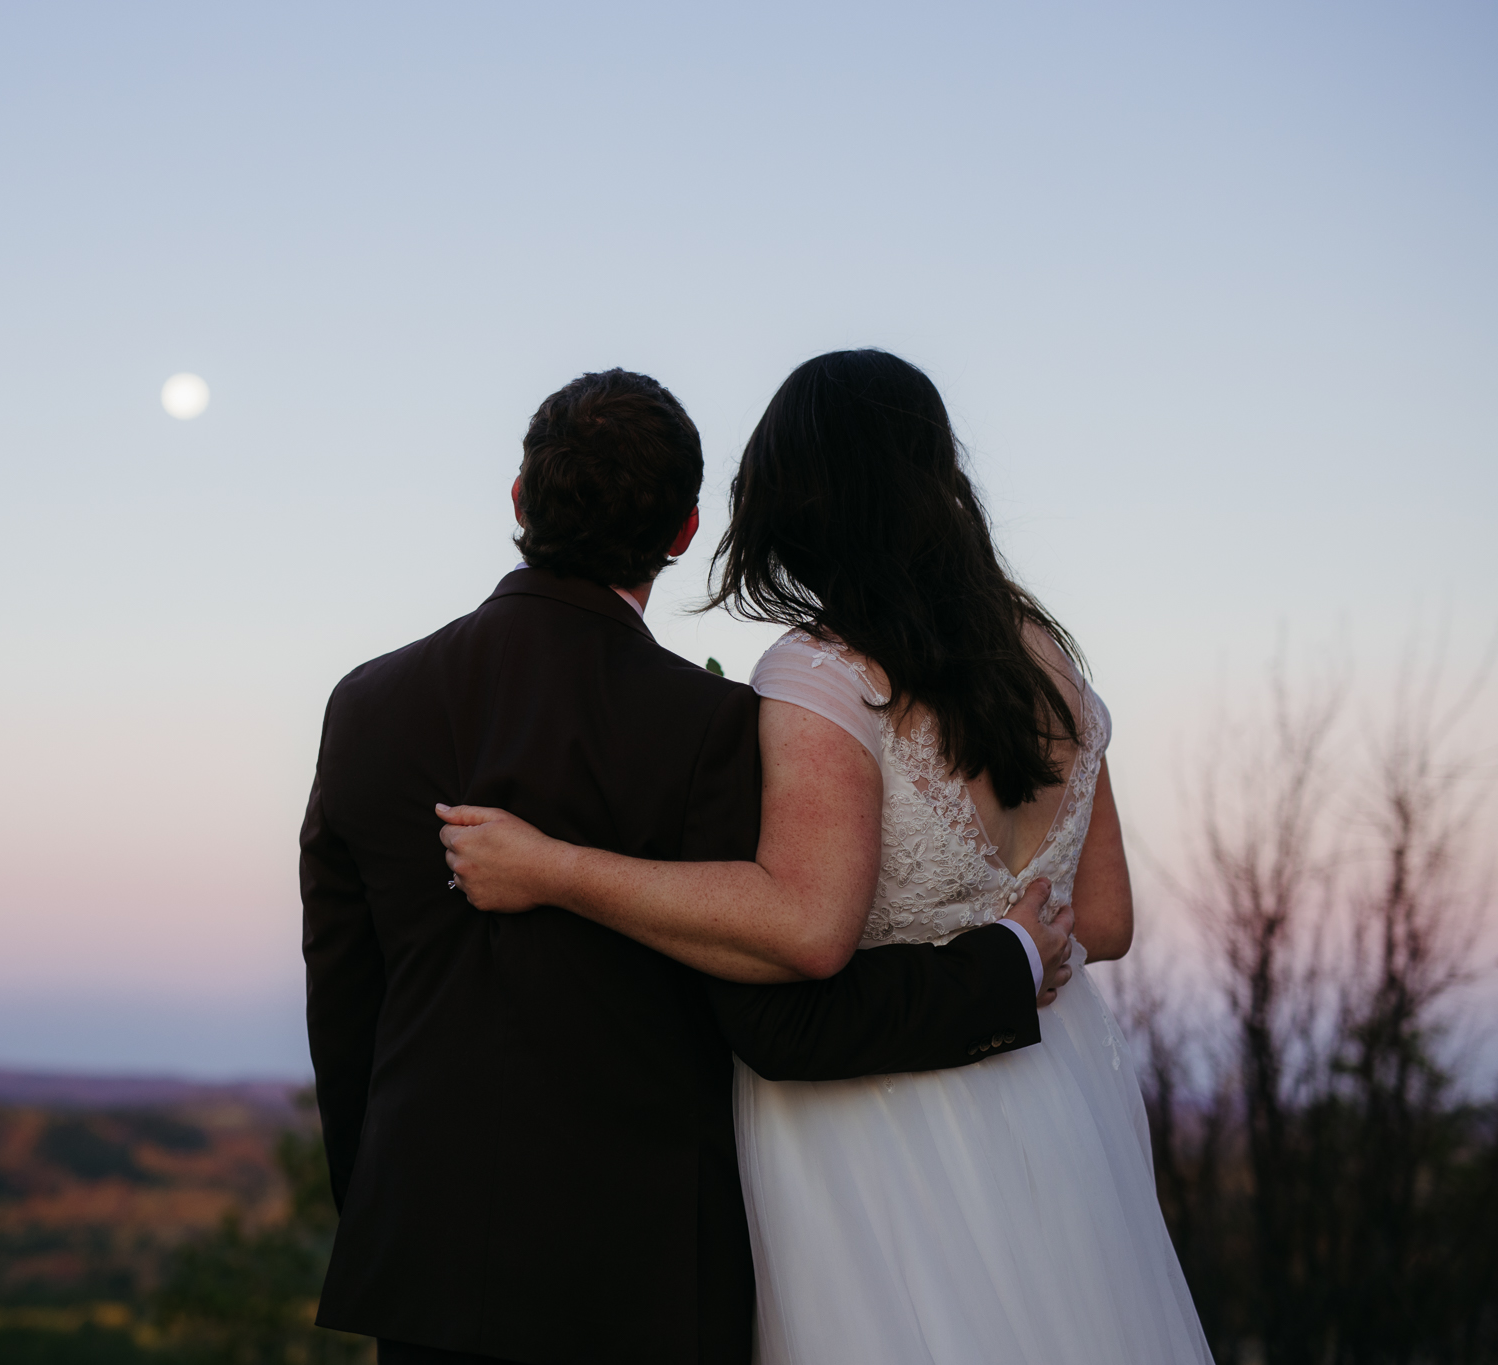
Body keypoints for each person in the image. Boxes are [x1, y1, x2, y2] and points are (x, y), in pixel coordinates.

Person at [438, 350, 1215, 1364]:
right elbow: (1102, 923)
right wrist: (1008, 948)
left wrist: (553, 869)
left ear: (795, 494)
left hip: (872, 1127)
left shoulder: (818, 674)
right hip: (1048, 1093)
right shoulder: (1045, 661)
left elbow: (803, 925)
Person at [301, 367, 1074, 1365]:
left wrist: (388, 1208)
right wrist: (998, 970)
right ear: (681, 530)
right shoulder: (710, 727)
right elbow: (774, 1014)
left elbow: (343, 993)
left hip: (428, 1258)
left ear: (518, 501)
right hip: (649, 1271)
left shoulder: (364, 705)